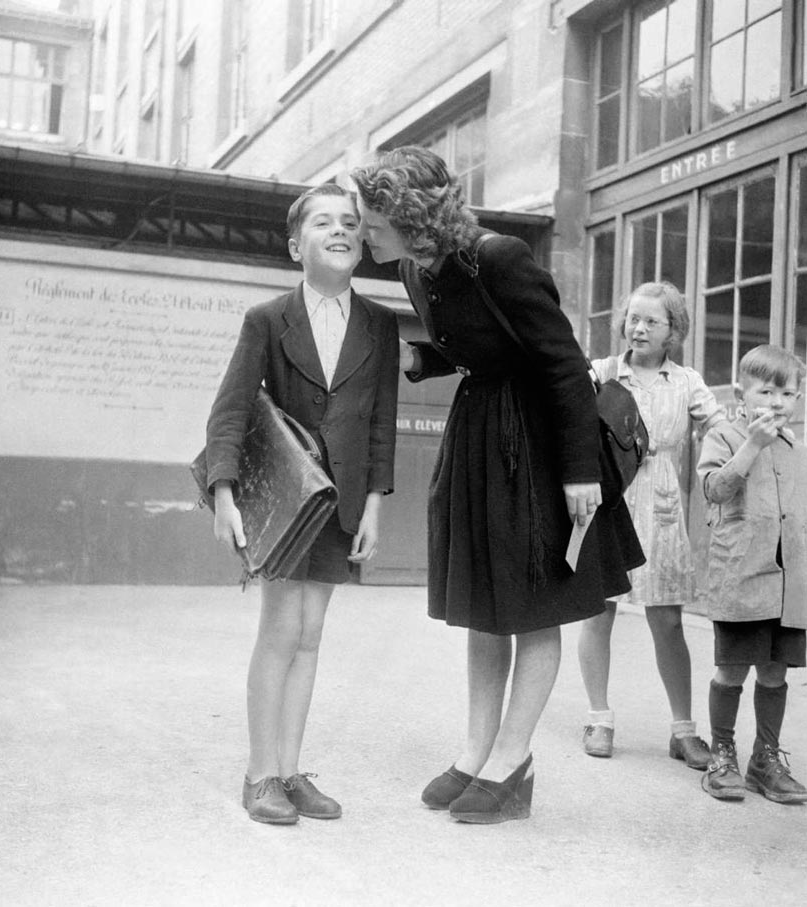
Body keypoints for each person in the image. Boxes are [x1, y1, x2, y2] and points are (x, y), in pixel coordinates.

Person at [351, 146, 644, 824]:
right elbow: (469, 343)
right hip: (481, 431)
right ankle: (475, 752)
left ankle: (513, 759)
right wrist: (422, 357)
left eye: (372, 219)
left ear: (411, 214)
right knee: (484, 601)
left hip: (538, 443)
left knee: (534, 602)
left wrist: (579, 473)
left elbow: (564, 365)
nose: (364, 230)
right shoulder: (413, 267)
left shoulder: (502, 257)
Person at [204, 183, 399, 824]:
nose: (340, 230)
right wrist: (225, 496)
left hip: (340, 506)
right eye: (323, 222)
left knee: (311, 636)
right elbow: (230, 411)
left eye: (350, 222)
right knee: (281, 630)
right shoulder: (266, 320)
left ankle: (290, 771)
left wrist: (374, 501)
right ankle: (259, 774)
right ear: (297, 246)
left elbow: (380, 424)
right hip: (288, 506)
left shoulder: (380, 324)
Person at [577, 282, 725, 767]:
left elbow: (721, 428)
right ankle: (599, 717)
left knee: (668, 619)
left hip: (661, 507)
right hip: (608, 500)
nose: (638, 328)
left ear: (673, 331)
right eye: (632, 318)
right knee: (598, 612)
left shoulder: (685, 382)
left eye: (651, 322)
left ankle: (683, 730)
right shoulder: (600, 372)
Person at [696, 344, 807, 803]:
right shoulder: (723, 434)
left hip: (789, 581)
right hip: (741, 573)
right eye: (767, 391)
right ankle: (722, 753)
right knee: (732, 669)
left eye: (788, 392)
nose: (777, 402)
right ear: (743, 391)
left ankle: (766, 758)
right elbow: (715, 489)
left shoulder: (798, 446)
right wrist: (753, 444)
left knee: (775, 672)